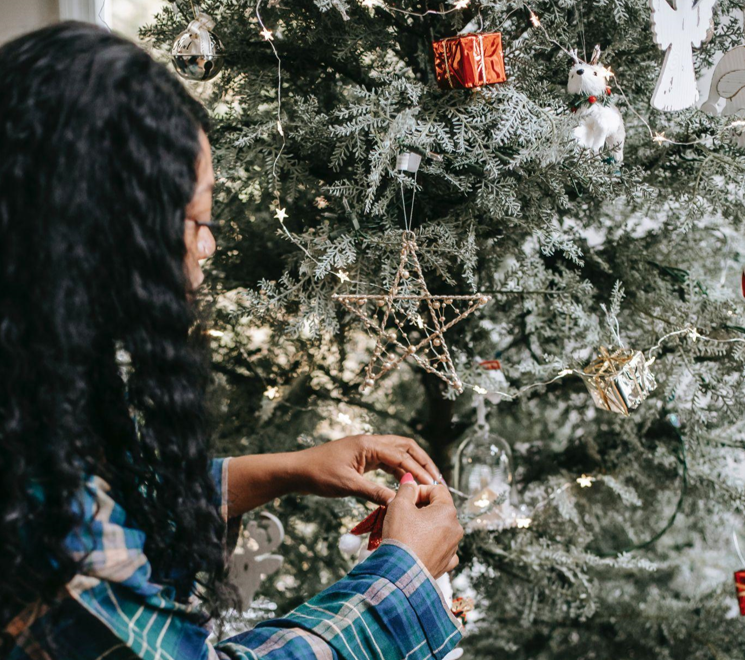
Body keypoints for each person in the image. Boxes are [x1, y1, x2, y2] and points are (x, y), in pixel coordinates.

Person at [0, 22, 464, 660]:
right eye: (196, 219)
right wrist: (402, 578)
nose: (208, 245)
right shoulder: (53, 557)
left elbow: (105, 498)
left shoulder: (28, 400)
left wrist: (280, 471)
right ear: (83, 235)